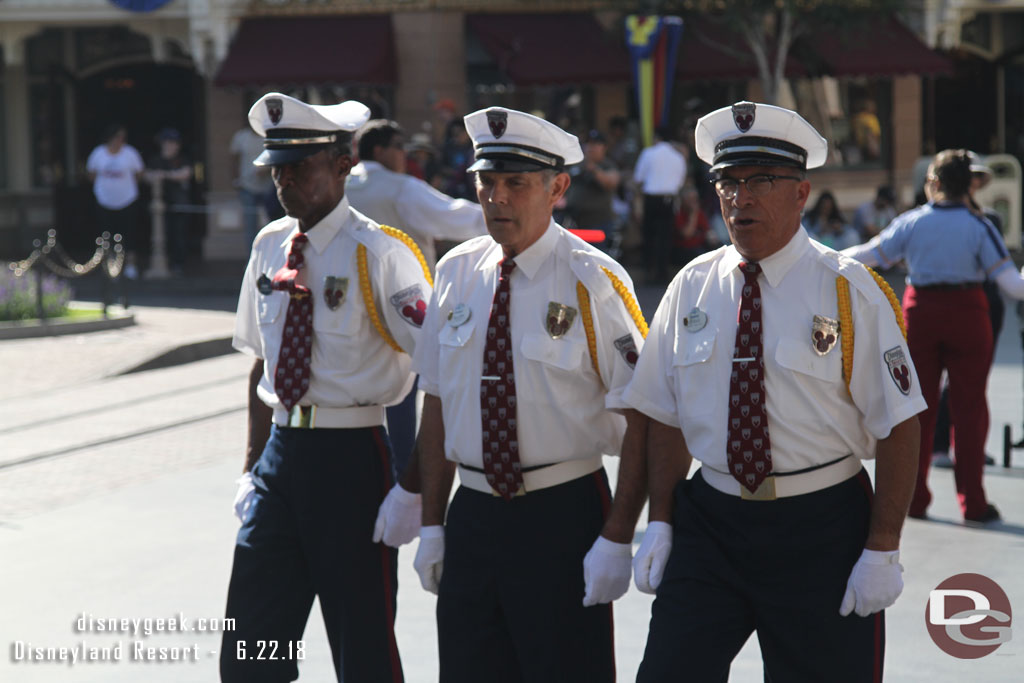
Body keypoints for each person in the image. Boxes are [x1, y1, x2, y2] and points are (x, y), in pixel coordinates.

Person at [624, 101, 926, 682]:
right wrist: (659, 519)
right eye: (727, 182)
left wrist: (882, 545)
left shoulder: (849, 290)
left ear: (801, 193)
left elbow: (899, 422)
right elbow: (663, 413)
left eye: (761, 180)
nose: (741, 199)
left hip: (821, 525)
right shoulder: (692, 285)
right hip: (711, 522)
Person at [412, 106, 648, 683]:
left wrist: (620, 534)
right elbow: (438, 400)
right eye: (486, 183)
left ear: (557, 187)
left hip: (560, 513)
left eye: (516, 183)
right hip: (473, 514)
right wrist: (431, 523)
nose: (497, 198)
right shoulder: (456, 271)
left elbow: (646, 416)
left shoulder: (593, 279)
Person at [223, 92, 432, 683]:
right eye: (278, 169)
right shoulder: (269, 246)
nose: (286, 181)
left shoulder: (380, 254)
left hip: (354, 461)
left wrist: (412, 488)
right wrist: (250, 468)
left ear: (342, 165)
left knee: (361, 649)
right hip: (280, 462)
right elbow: (262, 365)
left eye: (301, 167)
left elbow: (439, 370)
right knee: (250, 653)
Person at [843, 149, 1024, 524]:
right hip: (969, 316)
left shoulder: (913, 222)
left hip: (920, 315)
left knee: (913, 410)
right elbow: (1012, 285)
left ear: (934, 183)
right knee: (970, 411)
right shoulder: (980, 226)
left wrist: (823, 257)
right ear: (969, 185)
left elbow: (869, 255)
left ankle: (914, 500)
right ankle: (973, 504)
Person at [346, 118, 488, 479]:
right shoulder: (401, 187)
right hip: (403, 305)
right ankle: (405, 475)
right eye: (399, 147)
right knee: (404, 392)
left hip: (349, 307)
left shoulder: (341, 185)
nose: (404, 155)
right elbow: (454, 217)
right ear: (380, 150)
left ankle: (366, 468)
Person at [932, 152, 1004, 468]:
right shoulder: (939, 217)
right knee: (939, 380)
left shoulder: (988, 220)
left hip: (984, 301)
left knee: (973, 382)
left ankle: (969, 447)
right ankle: (939, 445)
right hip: (952, 300)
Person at [86, 124, 145, 279]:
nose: (120, 140)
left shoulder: (130, 153)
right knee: (106, 235)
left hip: (128, 200)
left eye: (122, 137)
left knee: (129, 234)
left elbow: (139, 173)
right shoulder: (98, 153)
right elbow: (91, 174)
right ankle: (110, 266)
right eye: (118, 136)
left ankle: (131, 265)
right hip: (104, 201)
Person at [633, 125, 687, 283]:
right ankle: (663, 273)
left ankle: (648, 271)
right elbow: (680, 182)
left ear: (657, 138)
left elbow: (638, 178)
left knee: (649, 236)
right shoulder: (678, 157)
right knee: (665, 237)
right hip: (669, 200)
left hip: (651, 199)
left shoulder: (648, 153)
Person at [146, 127, 192, 275]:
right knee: (161, 234)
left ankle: (178, 264)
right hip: (160, 206)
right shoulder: (155, 160)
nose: (171, 145)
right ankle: (162, 263)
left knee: (179, 235)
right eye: (168, 142)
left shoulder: (182, 158)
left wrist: (165, 175)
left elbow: (186, 174)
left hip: (179, 204)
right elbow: (147, 175)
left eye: (174, 142)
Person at [563, 129, 622, 243]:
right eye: (588, 143)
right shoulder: (577, 165)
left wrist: (594, 169)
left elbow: (611, 183)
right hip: (574, 222)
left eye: (596, 144)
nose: (591, 147)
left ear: (604, 147)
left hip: (598, 223)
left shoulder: (607, 165)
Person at [229, 119, 272, 247]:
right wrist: (235, 180)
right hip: (247, 186)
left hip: (268, 187)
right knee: (250, 226)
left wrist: (267, 169)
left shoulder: (268, 138)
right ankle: (251, 261)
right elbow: (233, 159)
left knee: (271, 224)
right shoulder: (241, 137)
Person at [671, 184, 714, 268]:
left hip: (699, 246)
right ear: (683, 200)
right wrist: (693, 215)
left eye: (695, 199)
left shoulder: (700, 213)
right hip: (683, 250)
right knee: (701, 256)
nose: (693, 201)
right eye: (690, 199)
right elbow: (687, 234)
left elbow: (707, 231)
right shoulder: (679, 214)